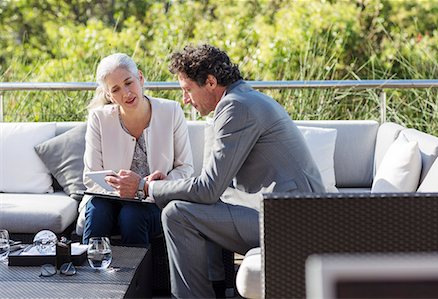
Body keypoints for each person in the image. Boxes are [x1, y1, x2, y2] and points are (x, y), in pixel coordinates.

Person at [112, 44, 326, 298]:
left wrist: (144, 187)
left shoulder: (236, 107)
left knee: (177, 214)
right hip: (285, 213)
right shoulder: (242, 99)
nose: (185, 100)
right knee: (187, 206)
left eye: (188, 90)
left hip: (291, 221)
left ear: (211, 82)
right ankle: (215, 288)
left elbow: (208, 189)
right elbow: (214, 184)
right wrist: (169, 184)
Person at [77, 53, 194, 246]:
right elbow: (91, 176)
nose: (126, 93)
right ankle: (91, 274)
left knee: (132, 215)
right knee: (98, 209)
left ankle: (138, 277)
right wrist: (124, 191)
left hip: (154, 200)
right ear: (109, 96)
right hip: (109, 200)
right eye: (115, 89)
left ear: (140, 77)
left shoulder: (171, 111)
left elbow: (185, 169)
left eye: (129, 82)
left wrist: (148, 188)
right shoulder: (98, 118)